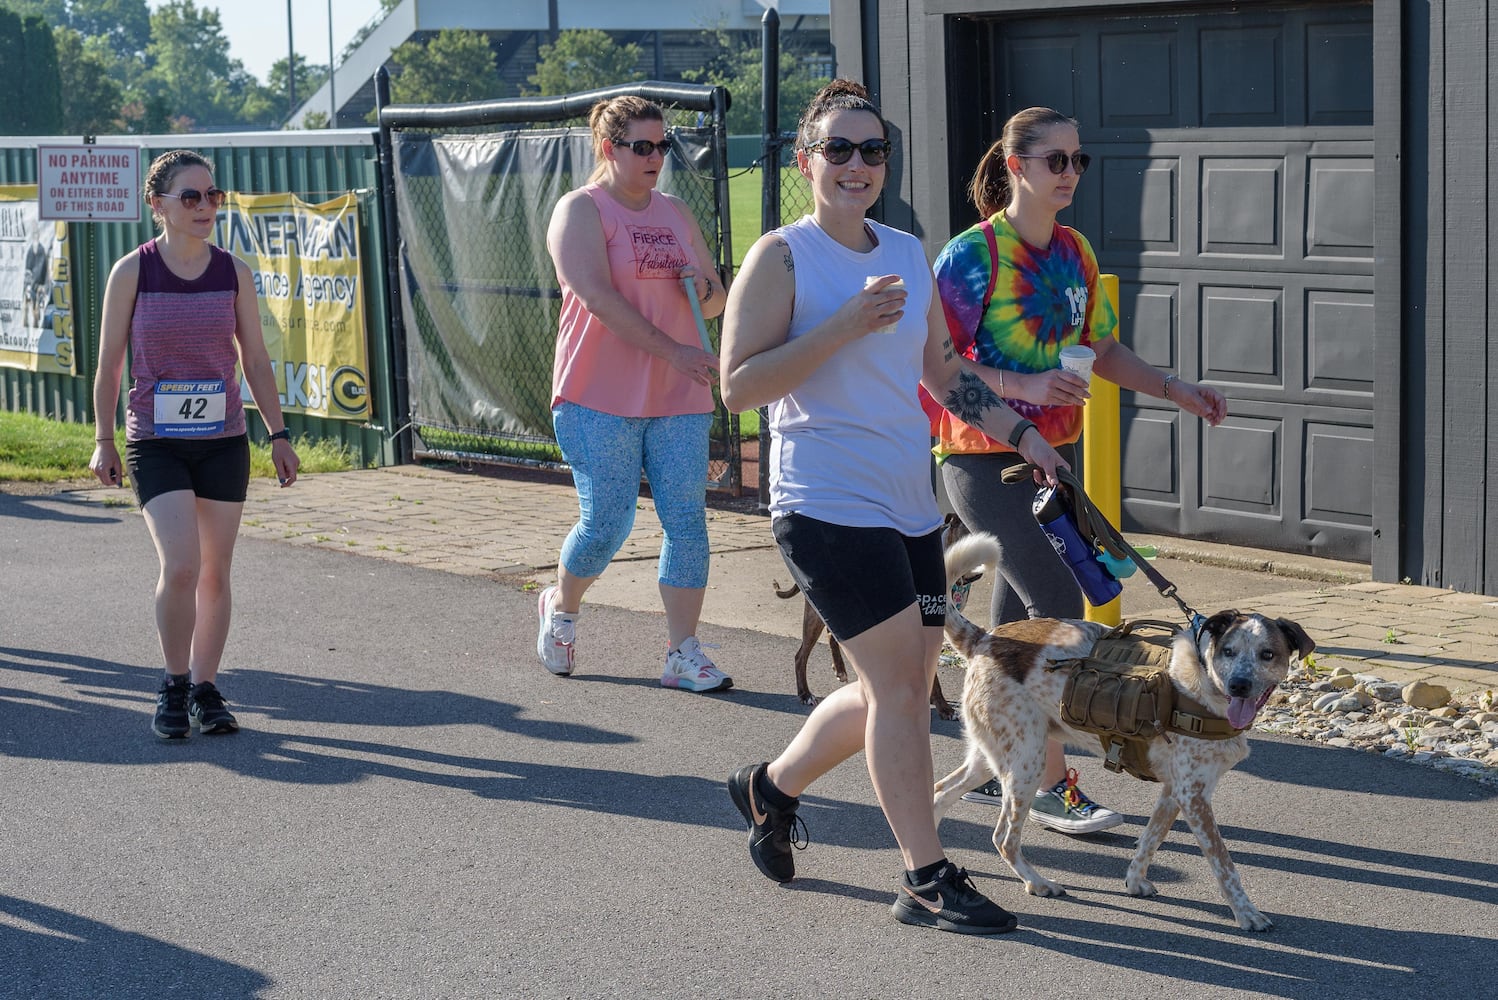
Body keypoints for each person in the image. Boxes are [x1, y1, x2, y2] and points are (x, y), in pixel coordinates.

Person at [719, 79, 1067, 935]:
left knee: (904, 687)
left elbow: (944, 376)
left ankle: (771, 788)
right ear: (808, 161)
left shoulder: (907, 251)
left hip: (909, 507)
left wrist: (1024, 437)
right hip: (826, 506)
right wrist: (841, 325)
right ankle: (925, 874)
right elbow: (737, 388)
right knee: (902, 695)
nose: (857, 165)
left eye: (872, 150)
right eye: (838, 149)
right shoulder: (784, 256)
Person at [930, 107, 1227, 829]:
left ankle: (993, 766)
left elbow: (1104, 351)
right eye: (1056, 160)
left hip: (1049, 454)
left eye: (1078, 161)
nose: (1070, 174)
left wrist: (1174, 389)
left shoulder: (1076, 253)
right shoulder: (973, 257)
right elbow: (936, 365)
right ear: (1015, 166)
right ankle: (1050, 782)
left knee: (1013, 626)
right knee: (1056, 600)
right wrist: (1022, 388)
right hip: (981, 456)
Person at [88, 149, 300, 740]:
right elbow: (108, 367)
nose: (206, 206)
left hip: (223, 441)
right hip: (156, 442)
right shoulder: (133, 271)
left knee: (215, 571)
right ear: (157, 205)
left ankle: (207, 688)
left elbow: (253, 357)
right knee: (180, 566)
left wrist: (278, 433)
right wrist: (103, 440)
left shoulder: (233, 272)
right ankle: (174, 683)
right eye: (191, 197)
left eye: (214, 195)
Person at [538, 95, 730, 692]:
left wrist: (704, 292)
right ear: (608, 148)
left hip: (678, 396)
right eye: (641, 146)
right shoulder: (581, 212)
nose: (655, 156)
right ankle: (562, 608)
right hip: (598, 395)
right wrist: (675, 350)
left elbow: (714, 296)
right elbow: (598, 298)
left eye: (662, 144)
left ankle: (682, 652)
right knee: (607, 523)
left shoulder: (674, 212)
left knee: (687, 523)